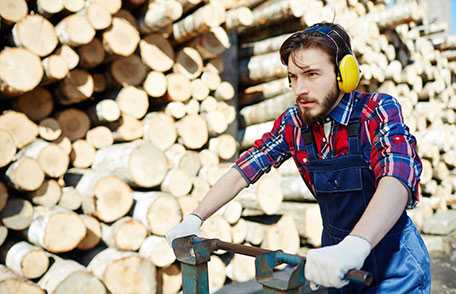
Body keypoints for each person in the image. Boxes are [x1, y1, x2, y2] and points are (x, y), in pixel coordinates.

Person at [166, 22, 431, 293]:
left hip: (394, 270)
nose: (299, 89)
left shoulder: (376, 110)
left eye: (312, 74)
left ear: (345, 74)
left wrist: (355, 246)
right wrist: (194, 218)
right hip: (335, 263)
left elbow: (397, 178)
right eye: (293, 77)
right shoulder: (294, 122)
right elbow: (243, 171)